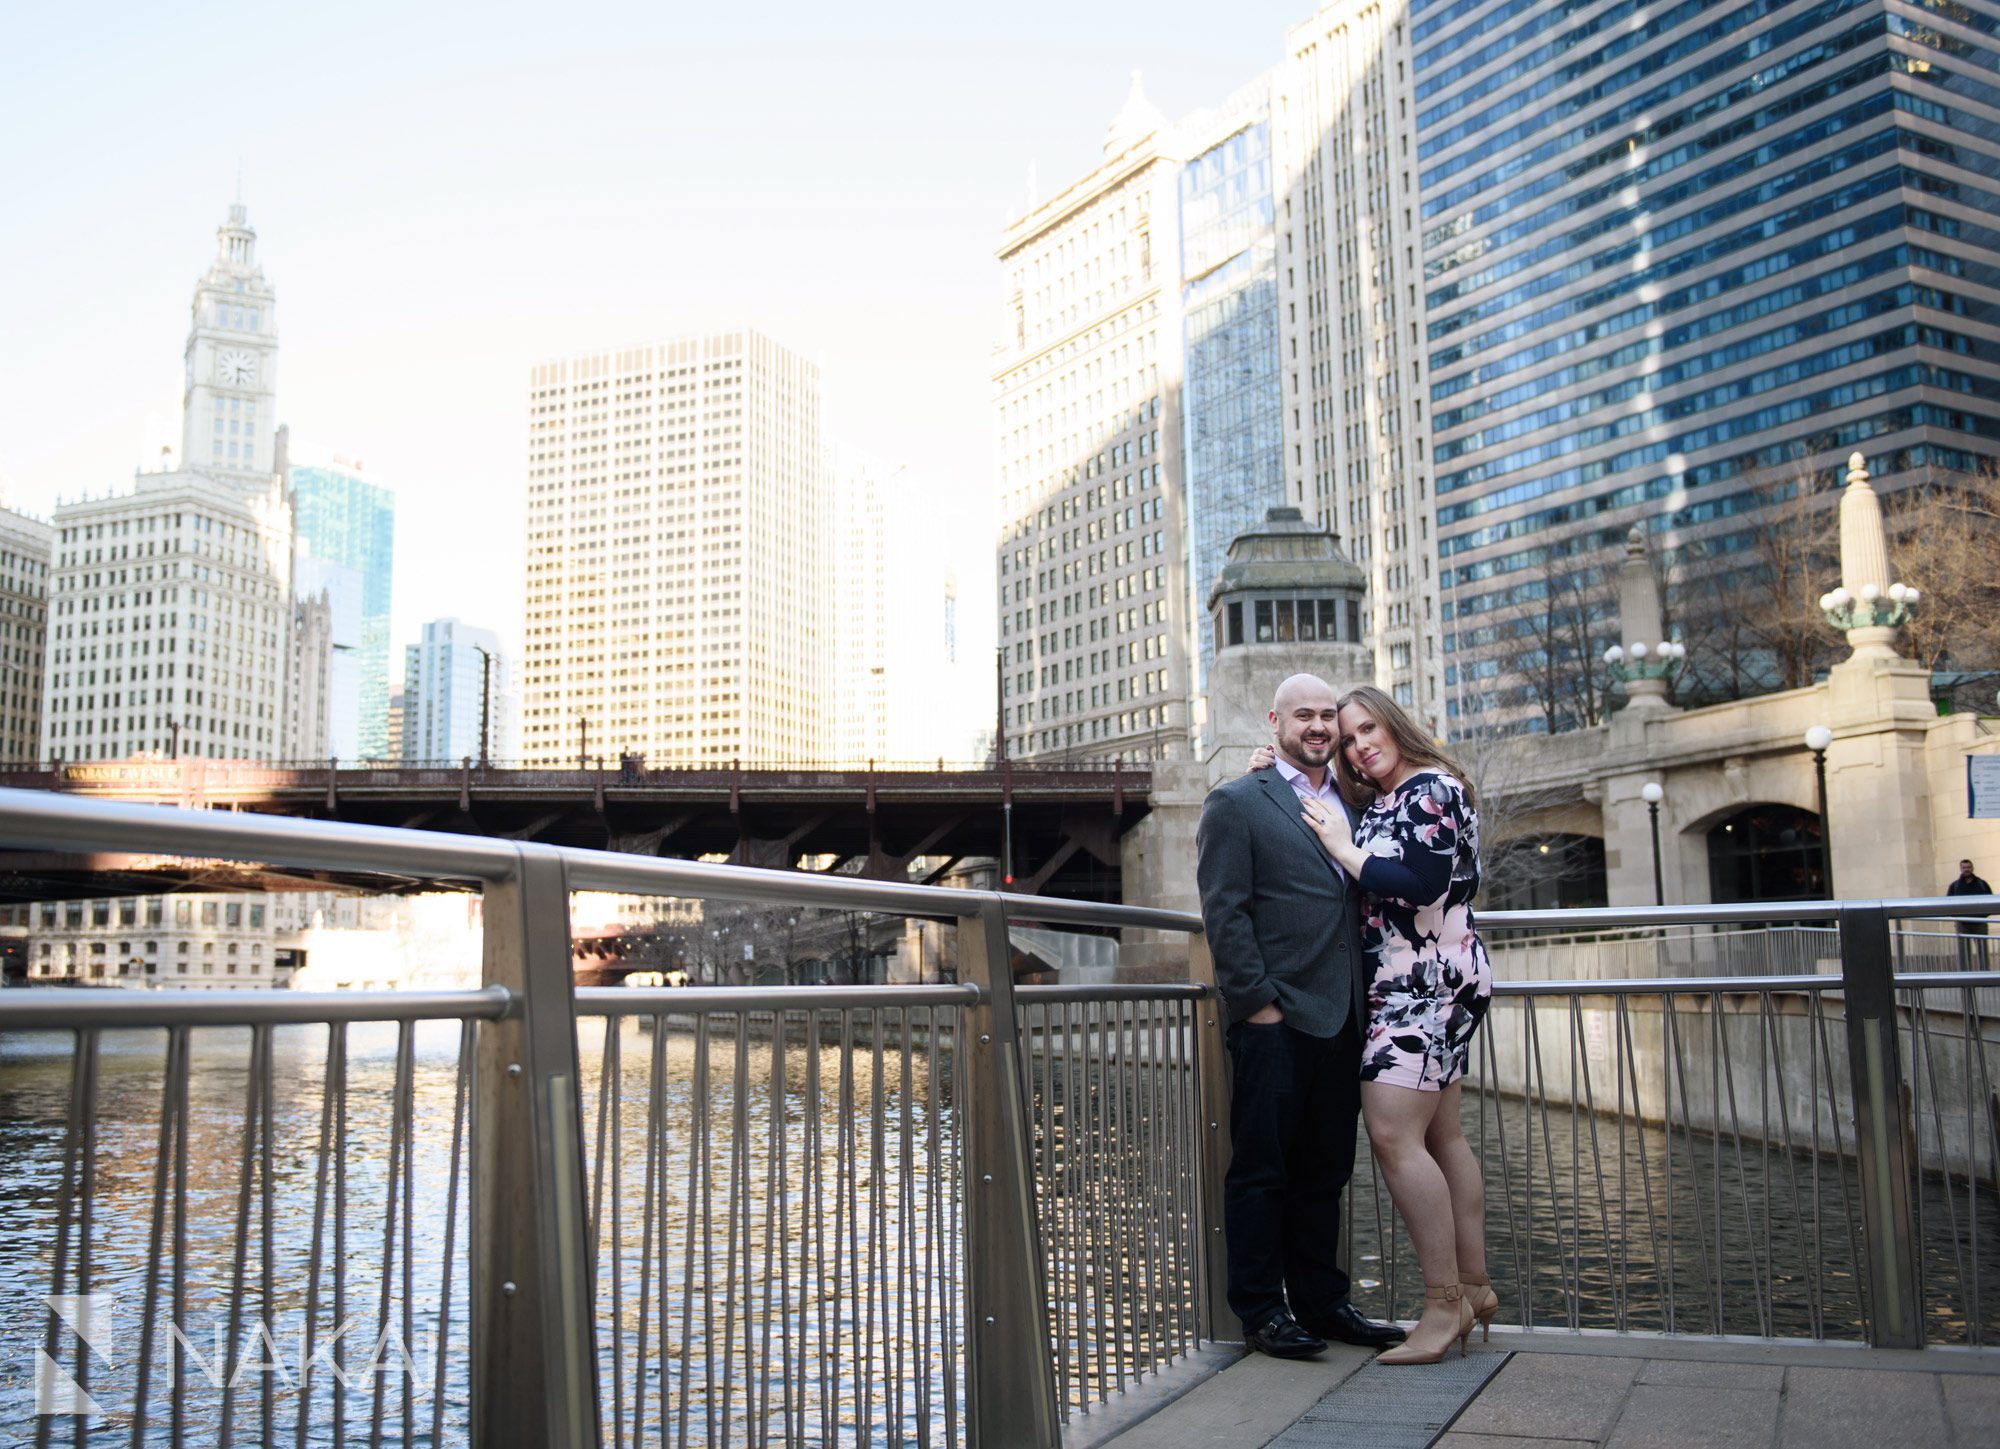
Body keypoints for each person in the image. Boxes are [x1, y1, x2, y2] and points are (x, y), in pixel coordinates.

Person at [1249, 684, 1496, 1364]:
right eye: (1350, 736)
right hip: (1419, 979)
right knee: (1443, 1136)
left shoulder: (1431, 788)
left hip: (1424, 983)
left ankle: (1443, 1302)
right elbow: (1331, 801)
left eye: (1366, 727)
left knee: (1392, 1133)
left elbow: (1418, 881)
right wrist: (1266, 768)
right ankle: (1472, 1286)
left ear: (1394, 723)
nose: (1359, 743)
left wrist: (1345, 848)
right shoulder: (1389, 796)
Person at [1195, 674, 1406, 1359]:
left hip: (1345, 1017)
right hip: (1275, 1020)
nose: (1319, 726)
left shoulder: (1354, 798)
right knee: (1263, 1169)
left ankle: (1323, 1301)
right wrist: (1256, 1004)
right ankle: (1261, 1310)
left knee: (1326, 1169)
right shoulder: (1236, 801)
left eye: (1328, 718)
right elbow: (1225, 912)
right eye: (1305, 715)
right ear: (1275, 722)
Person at [1948, 859, 1993, 969]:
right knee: (1964, 953)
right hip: (1963, 924)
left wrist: (1983, 916)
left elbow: (1991, 901)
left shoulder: (1982, 884)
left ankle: (1985, 978)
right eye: (1964, 867)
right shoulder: (1954, 886)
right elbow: (1948, 904)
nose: (1966, 869)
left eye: (1968, 867)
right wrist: (1958, 918)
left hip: (1979, 923)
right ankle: (1966, 981)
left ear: (1972, 868)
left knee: (1982, 951)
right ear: (1960, 869)